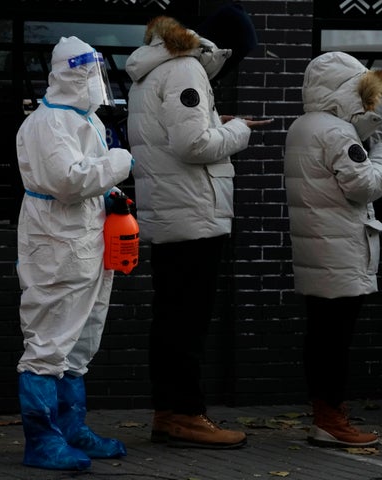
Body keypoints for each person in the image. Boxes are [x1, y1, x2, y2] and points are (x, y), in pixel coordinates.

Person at [125, 12, 272, 448]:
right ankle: (186, 415)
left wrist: (214, 123)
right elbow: (194, 145)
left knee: (171, 318)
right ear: (221, 46)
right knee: (187, 322)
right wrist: (237, 129)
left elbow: (172, 133)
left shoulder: (154, 69)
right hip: (193, 214)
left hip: (172, 213)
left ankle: (170, 413)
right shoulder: (186, 68)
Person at [15, 36, 134, 470]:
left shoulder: (88, 122)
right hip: (57, 245)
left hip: (89, 240)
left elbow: (90, 179)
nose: (97, 81)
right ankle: (42, 439)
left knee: (81, 342)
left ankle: (71, 429)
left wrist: (114, 193)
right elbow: (68, 180)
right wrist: (120, 163)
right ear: (74, 73)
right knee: (49, 340)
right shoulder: (48, 123)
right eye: (91, 72)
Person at [284, 51, 382, 448]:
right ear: (347, 90)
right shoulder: (336, 133)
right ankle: (331, 421)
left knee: (321, 336)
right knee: (335, 341)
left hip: (319, 249)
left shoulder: (305, 125)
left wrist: (367, 130)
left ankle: (326, 415)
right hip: (339, 250)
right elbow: (363, 186)